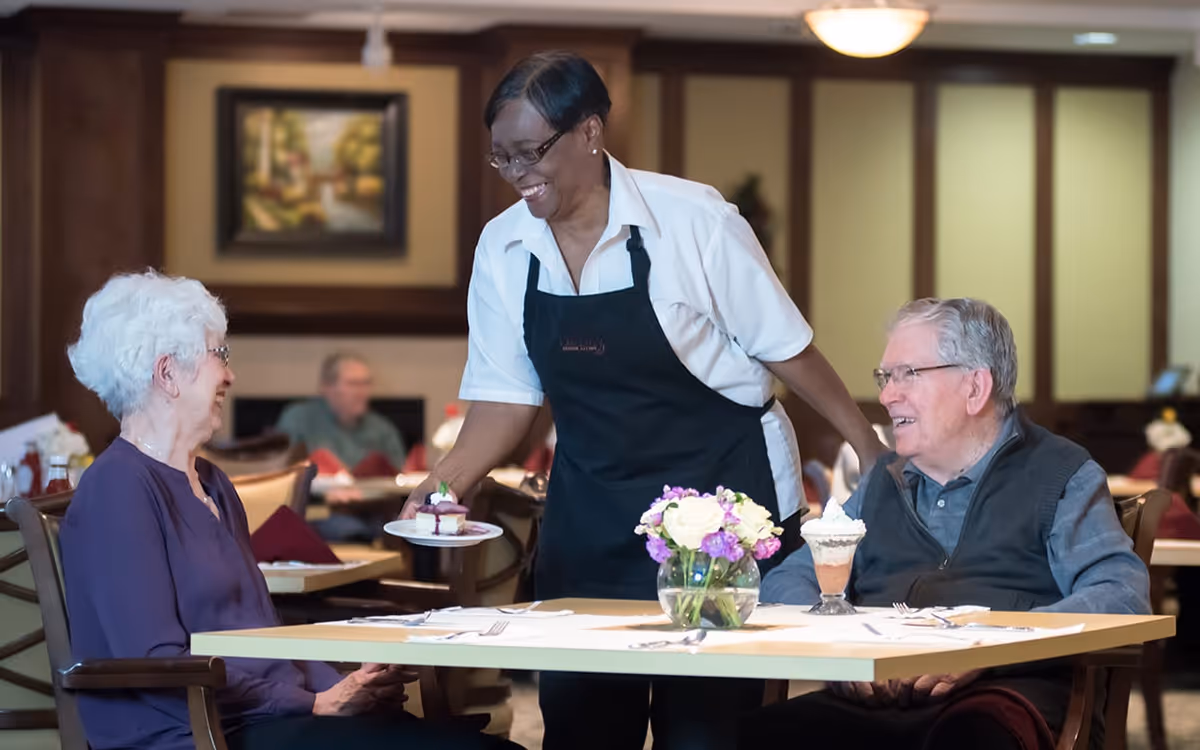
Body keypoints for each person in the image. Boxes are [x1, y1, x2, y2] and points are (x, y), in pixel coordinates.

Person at [399, 51, 884, 750]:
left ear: (590, 132)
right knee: (582, 728)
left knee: (706, 732)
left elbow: (788, 351)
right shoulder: (504, 247)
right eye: (501, 160)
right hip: (590, 516)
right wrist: (440, 490)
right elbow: (504, 401)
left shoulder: (693, 222)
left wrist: (868, 450)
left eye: (531, 153)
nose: (518, 176)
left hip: (723, 514)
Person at [61, 271, 519, 750]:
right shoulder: (117, 489)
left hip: (267, 719)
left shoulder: (212, 484)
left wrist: (343, 684)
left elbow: (262, 634)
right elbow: (157, 661)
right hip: (200, 734)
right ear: (167, 373)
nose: (230, 375)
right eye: (219, 355)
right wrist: (315, 703)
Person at [744, 298, 1150, 750]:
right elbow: (789, 579)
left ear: (975, 387)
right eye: (885, 377)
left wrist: (989, 647)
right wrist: (843, 647)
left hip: (1004, 694)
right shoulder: (882, 481)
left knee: (972, 738)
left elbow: (1121, 594)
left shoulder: (1061, 473)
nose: (886, 395)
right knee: (768, 734)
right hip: (877, 697)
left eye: (908, 375)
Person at [276, 353, 406, 475]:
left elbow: (399, 475)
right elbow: (284, 473)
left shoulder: (382, 428)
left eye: (366, 383)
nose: (362, 392)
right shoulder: (298, 418)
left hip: (376, 498)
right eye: (353, 384)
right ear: (326, 387)